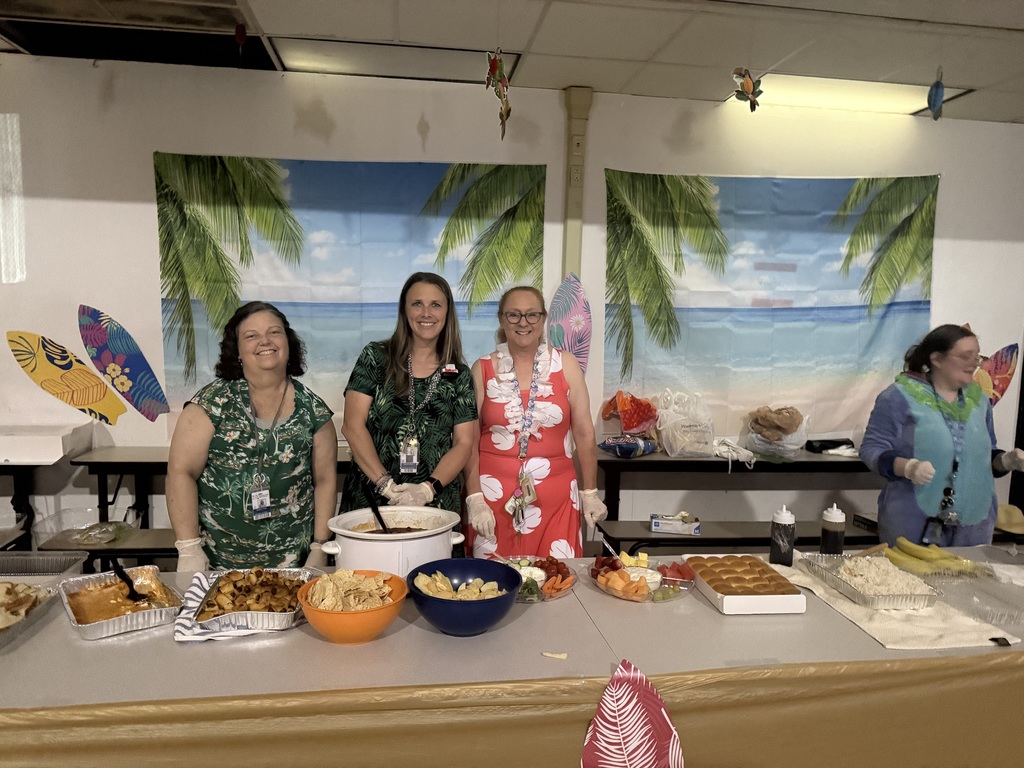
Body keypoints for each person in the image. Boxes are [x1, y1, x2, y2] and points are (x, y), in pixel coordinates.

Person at [168, 301, 337, 572]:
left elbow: (325, 481)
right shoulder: (210, 405)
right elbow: (181, 472)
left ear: (288, 343)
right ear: (237, 351)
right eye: (252, 335)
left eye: (274, 332)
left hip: (295, 566)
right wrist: (188, 548)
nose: (265, 341)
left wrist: (319, 546)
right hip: (219, 565)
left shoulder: (314, 411)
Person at [464, 285, 607, 559]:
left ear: (543, 320)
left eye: (532, 315)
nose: (523, 323)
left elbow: (585, 433)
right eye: (514, 315)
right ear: (501, 319)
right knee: (494, 584)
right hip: (492, 498)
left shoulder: (566, 365)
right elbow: (467, 439)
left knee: (556, 581)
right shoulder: (481, 368)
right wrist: (474, 497)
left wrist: (590, 491)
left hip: (557, 498)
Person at [860, 324, 1024, 546]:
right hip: (912, 525)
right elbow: (872, 450)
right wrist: (908, 467)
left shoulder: (979, 401)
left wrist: (1004, 461)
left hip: (974, 530)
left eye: (977, 357)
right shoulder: (897, 397)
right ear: (937, 359)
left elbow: (984, 459)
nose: (975, 364)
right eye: (966, 356)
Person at [340, 272, 477, 522]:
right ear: (404, 311)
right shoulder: (376, 357)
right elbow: (352, 426)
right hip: (371, 501)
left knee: (432, 564)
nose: (426, 313)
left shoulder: (459, 374)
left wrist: (427, 489)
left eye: (435, 304)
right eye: (417, 304)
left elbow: (464, 443)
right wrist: (385, 485)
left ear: (447, 313)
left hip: (435, 505)